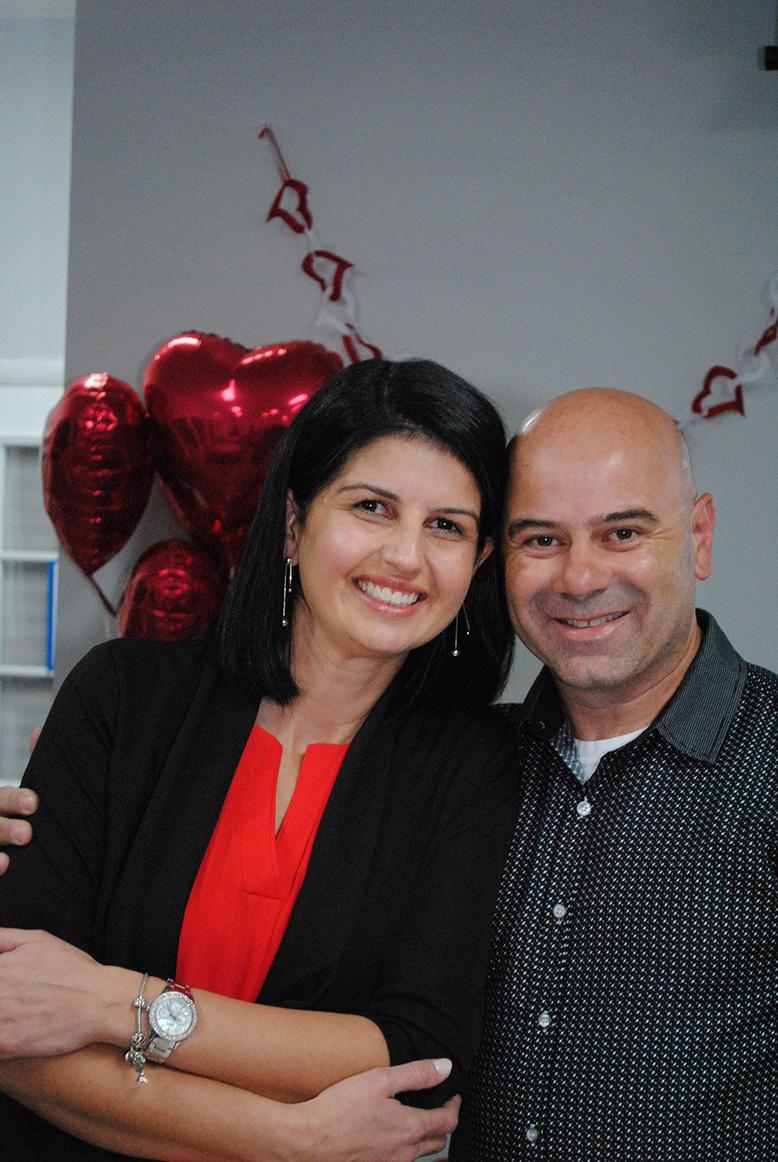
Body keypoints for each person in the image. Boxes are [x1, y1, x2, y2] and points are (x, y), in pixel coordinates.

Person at [0, 357, 519, 1161]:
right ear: (293, 523)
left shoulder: (475, 765)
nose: (406, 556)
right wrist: (287, 1138)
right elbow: (14, 1018)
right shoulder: (120, 697)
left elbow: (414, 1051)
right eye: (373, 508)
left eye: (446, 526)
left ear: (479, 562)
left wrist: (110, 1002)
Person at [450, 388, 778, 1160]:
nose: (579, 577)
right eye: (541, 539)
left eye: (622, 532)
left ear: (698, 536)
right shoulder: (470, 766)